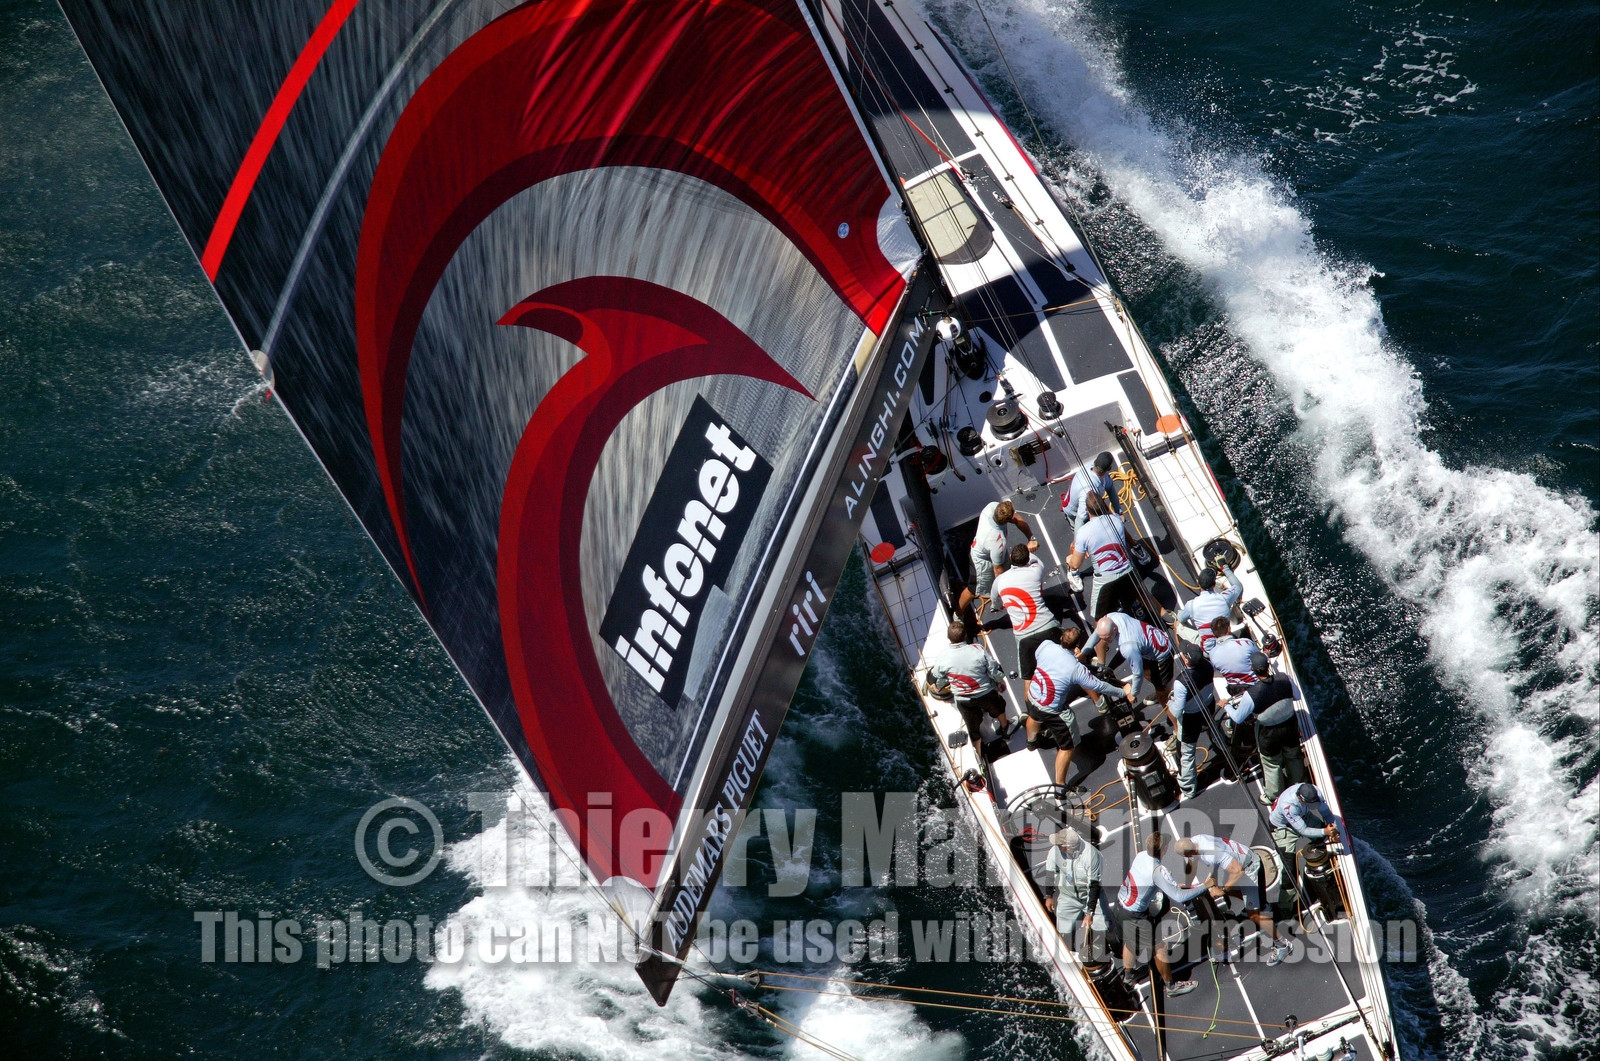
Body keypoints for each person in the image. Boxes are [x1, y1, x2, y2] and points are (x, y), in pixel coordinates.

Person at [1114, 833, 1210, 997]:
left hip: (1120, 906)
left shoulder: (1140, 856)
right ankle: (1171, 986)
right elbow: (1179, 897)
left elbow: (1151, 883)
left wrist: (1172, 884)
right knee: (1159, 948)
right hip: (1136, 915)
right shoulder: (1158, 870)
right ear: (1164, 849)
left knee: (1130, 941)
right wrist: (1206, 885)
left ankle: (1129, 976)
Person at [1026, 628, 1125, 785]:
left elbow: (1041, 660)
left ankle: (1032, 742)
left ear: (1060, 638)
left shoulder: (1046, 646)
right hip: (1051, 709)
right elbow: (1099, 686)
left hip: (1034, 694)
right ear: (1077, 645)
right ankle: (1060, 787)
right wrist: (1122, 692)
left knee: (1034, 716)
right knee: (1067, 747)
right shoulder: (1076, 669)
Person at [1175, 835, 1292, 966]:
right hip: (1242, 861)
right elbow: (1192, 862)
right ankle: (1262, 905)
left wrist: (1223, 890)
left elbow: (1238, 871)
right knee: (1227, 888)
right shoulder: (1196, 840)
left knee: (1254, 915)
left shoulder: (1211, 854)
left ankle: (1282, 945)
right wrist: (1187, 884)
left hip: (1249, 870)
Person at [1222, 651, 1306, 803]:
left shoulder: (1251, 694)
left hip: (1269, 733)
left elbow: (1238, 718)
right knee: (1294, 756)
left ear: (1253, 670)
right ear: (1268, 666)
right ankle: (1298, 786)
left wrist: (1226, 706)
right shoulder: (1284, 678)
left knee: (1272, 764)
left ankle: (1273, 795)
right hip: (1290, 727)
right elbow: (1297, 696)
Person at [924, 620, 1008, 746]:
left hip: (964, 700)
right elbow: (994, 670)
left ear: (949, 638)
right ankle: (1005, 729)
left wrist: (938, 688)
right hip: (985, 694)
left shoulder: (943, 657)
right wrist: (1000, 681)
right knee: (999, 707)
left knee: (972, 727)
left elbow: (938, 676)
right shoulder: (978, 649)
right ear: (965, 636)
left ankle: (978, 750)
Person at [992, 543, 1060, 681]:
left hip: (1024, 636)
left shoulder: (999, 581)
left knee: (1028, 679)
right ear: (1028, 559)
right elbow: (1038, 561)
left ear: (1011, 558)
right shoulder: (1037, 570)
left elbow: (996, 603)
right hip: (1047, 625)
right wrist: (1029, 551)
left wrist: (998, 606)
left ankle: (1030, 702)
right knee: (1065, 658)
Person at [1068, 493, 1140, 620]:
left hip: (1105, 580)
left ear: (1087, 510)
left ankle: (1074, 577)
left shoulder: (1083, 532)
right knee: (1136, 593)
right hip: (1127, 571)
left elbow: (1075, 564)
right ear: (1105, 506)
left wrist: (1070, 560)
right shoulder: (1117, 520)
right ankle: (1133, 602)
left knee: (1098, 618)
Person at [958, 500, 1037, 614]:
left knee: (1011, 572)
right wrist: (1000, 598)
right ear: (1007, 520)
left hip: (993, 552)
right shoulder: (998, 541)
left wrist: (1031, 538)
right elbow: (998, 572)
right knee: (972, 590)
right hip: (981, 561)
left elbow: (1017, 519)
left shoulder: (992, 507)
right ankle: (958, 614)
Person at [1081, 611, 1174, 705]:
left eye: (1107, 638)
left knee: (1163, 696)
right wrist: (1083, 653)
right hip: (1146, 644)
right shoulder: (1111, 617)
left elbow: (1138, 673)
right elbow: (1096, 634)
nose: (1105, 641)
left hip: (1162, 653)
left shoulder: (1127, 647)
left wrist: (1133, 694)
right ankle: (1161, 689)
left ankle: (1167, 694)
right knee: (1148, 673)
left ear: (1114, 629)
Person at [1166, 644, 1216, 800]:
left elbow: (1176, 711)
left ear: (1186, 659)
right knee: (1214, 731)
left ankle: (1188, 788)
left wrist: (1170, 701)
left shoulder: (1181, 683)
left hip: (1191, 718)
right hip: (1208, 706)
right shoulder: (1208, 665)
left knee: (1187, 754)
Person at [1045, 827, 1104, 954]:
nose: (1056, 846)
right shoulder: (1055, 851)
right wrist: (1049, 895)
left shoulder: (1091, 855)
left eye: (1060, 844)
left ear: (1069, 847)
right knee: (1064, 936)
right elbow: (1050, 873)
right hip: (1068, 897)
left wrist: (1090, 913)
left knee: (1105, 930)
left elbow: (1094, 885)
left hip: (1091, 895)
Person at [1173, 566, 1242, 649]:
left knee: (1177, 623)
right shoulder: (1224, 598)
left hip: (1207, 650)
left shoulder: (1191, 605)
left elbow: (1181, 619)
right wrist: (1225, 567)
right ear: (1214, 584)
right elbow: (1238, 586)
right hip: (1225, 643)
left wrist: (1180, 612)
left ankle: (1184, 655)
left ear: (1197, 581)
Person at [1059, 451, 1121, 532]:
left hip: (1092, 505)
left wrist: (1119, 513)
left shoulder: (1094, 468)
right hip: (1075, 513)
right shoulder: (1087, 491)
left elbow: (1110, 489)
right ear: (1109, 469)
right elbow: (1080, 518)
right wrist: (1077, 541)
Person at [1205, 617, 1261, 696]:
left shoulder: (1212, 654)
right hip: (1255, 686)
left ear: (1213, 634)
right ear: (1229, 628)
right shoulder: (1246, 643)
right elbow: (1261, 658)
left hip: (1235, 690)